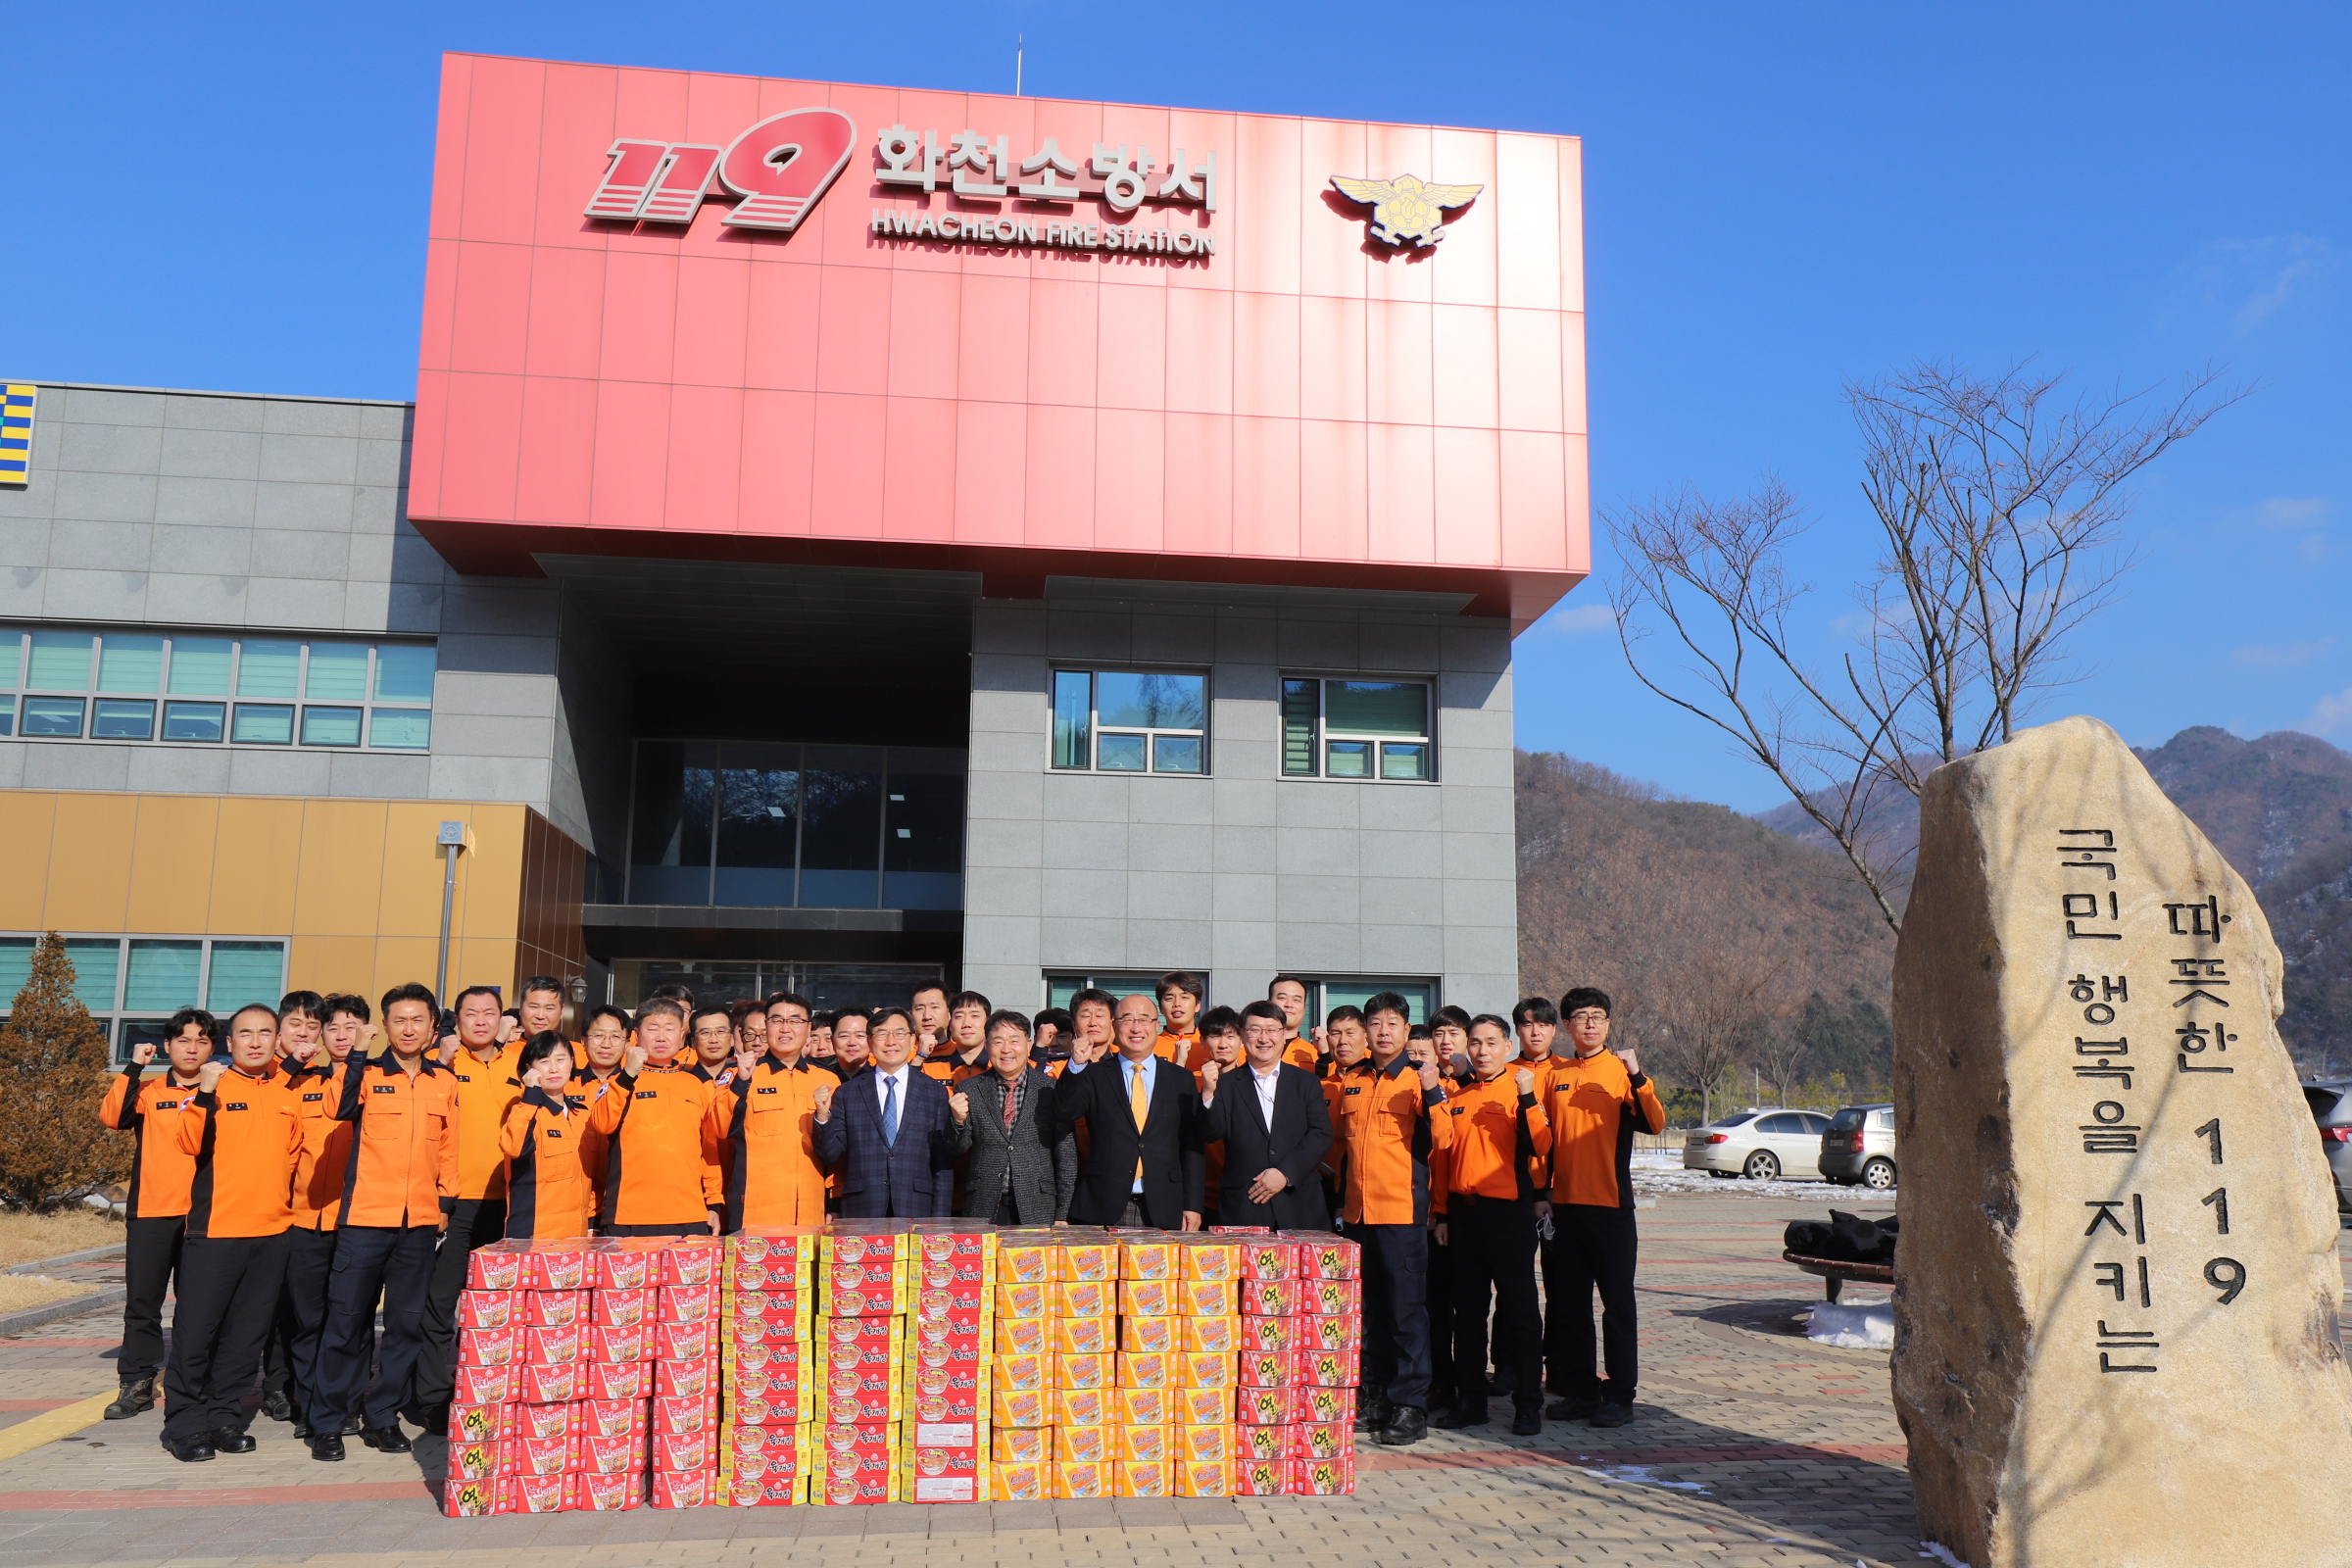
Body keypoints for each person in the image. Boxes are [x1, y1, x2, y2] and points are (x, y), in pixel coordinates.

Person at [312, 983, 457, 1460]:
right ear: (386, 1026)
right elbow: (338, 1108)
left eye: (418, 1020)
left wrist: (444, 1204)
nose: (408, 1029)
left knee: (405, 1327)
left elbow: (449, 1147)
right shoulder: (367, 1072)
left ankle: (382, 1416)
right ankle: (329, 1421)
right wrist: (356, 1053)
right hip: (365, 1221)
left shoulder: (444, 1081)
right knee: (345, 1324)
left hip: (418, 1224)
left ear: (433, 1028)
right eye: (399, 1020)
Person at [161, 1004, 304, 1463]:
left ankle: (224, 1416)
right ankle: (185, 1424)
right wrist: (204, 1092)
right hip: (216, 1233)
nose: (256, 1041)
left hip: (271, 1235)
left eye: (265, 1033)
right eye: (246, 1033)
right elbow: (187, 1142)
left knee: (245, 1337)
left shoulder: (286, 1095)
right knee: (196, 1333)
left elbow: (292, 1158)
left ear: (277, 1041)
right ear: (230, 1042)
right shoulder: (212, 1088)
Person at [1542, 987, 1665, 1428]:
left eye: (1598, 1016)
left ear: (1608, 1023)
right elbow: (1541, 1138)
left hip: (1610, 1207)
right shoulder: (1554, 1074)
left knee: (1617, 1305)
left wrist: (1637, 1076)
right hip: (1565, 1209)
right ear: (1568, 1026)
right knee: (1570, 1307)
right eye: (1580, 1016)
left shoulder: (1621, 1071)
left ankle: (1619, 1395)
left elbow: (1655, 1122)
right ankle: (1581, 1391)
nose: (1590, 1023)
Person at [1335, 992, 1451, 1447]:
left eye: (1392, 1024)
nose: (1383, 1032)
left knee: (1406, 1313)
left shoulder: (1418, 1079)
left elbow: (1444, 1137)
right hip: (1357, 1214)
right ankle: (1377, 1395)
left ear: (1406, 1031)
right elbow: (1342, 1150)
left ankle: (1410, 1405)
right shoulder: (1354, 1079)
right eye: (1375, 1023)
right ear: (1366, 1030)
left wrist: (1433, 1088)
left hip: (1401, 1214)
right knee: (1369, 1313)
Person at [413, 984, 524, 1433]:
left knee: (500, 1309)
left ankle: (494, 1392)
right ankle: (433, 1399)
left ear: (503, 1019)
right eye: (471, 1013)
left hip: (511, 1207)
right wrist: (441, 1062)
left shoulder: (521, 1061)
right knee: (440, 1305)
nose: (480, 1021)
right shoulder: (438, 1061)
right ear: (455, 1020)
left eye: (489, 1012)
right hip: (454, 1204)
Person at [1432, 1014, 1549, 1436]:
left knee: (1520, 1311)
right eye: (1476, 1043)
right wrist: (1441, 1213)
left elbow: (1542, 1145)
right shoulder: (1458, 1097)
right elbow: (1443, 1159)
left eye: (1491, 1042)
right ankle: (1471, 1401)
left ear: (1506, 1046)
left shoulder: (1520, 1090)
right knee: (1468, 1314)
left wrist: (1528, 1097)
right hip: (1464, 1216)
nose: (1482, 1051)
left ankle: (1528, 1404)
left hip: (1508, 1216)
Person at [97, 1007, 211, 1422]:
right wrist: (133, 1067)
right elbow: (112, 1117)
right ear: (167, 1045)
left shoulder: (221, 1091)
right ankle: (137, 1382)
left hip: (204, 1215)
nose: (192, 1048)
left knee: (198, 1306)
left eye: (201, 1041)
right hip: (151, 1211)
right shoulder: (148, 1090)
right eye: (183, 1040)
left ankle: (190, 1380)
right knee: (143, 1303)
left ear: (213, 1048)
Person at [265, 992, 351, 1437]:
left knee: (329, 1314)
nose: (304, 1033)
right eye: (295, 1024)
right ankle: (282, 1388)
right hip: (289, 1214)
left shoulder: (335, 1075)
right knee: (291, 1311)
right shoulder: (275, 1076)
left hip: (342, 1218)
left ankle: (322, 1397)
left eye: (313, 1026)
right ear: (279, 1028)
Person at [1054, 994, 1205, 1230]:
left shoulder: (1180, 1078)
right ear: (1114, 1025)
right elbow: (1065, 1111)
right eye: (1127, 1019)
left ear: (1157, 1025)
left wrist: (1193, 1205)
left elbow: (1191, 1145)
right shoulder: (1094, 1074)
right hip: (1103, 1203)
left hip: (1165, 1204)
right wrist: (1076, 1065)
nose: (1136, 1028)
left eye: (1144, 1019)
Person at [584, 999, 725, 1236]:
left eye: (669, 1029)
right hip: (629, 1215)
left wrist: (713, 1202)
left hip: (689, 1212)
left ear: (682, 1035)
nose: (661, 1037)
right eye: (652, 1029)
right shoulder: (617, 1082)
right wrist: (628, 1075)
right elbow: (602, 1124)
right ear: (636, 1035)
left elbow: (708, 1148)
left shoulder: (696, 1085)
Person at [810, 1005, 956, 1217]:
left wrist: (939, 1222)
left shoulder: (934, 1092)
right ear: (870, 1042)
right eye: (881, 1034)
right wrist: (823, 1116)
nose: (890, 1041)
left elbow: (942, 1163)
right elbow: (830, 1154)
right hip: (863, 1209)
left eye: (899, 1033)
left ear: (912, 1040)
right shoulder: (848, 1092)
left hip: (916, 1207)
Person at [1199, 1001, 1332, 1230]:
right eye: (1254, 1030)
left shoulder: (1306, 1081)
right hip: (1244, 1204)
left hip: (1299, 1203)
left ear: (1283, 1034)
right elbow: (1211, 1133)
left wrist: (1285, 1173)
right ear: (1243, 1035)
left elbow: (1321, 1134)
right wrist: (1208, 1093)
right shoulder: (1226, 1084)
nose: (1263, 1038)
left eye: (1271, 1030)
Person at [710, 993, 830, 1229]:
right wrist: (741, 1083)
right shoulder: (740, 1073)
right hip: (755, 1214)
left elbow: (835, 1150)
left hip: (811, 1215)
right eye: (777, 1020)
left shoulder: (827, 1079)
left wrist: (834, 1202)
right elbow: (720, 1128)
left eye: (795, 1021)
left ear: (808, 1029)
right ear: (766, 1026)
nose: (785, 1028)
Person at [947, 1010, 1075, 1223]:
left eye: (1014, 1040)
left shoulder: (1051, 1090)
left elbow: (1066, 1155)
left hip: (1038, 1205)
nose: (1006, 1049)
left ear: (1028, 1045)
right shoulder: (969, 1088)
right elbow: (957, 1148)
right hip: (983, 1204)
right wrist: (957, 1121)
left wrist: (1063, 1213)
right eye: (998, 1041)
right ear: (987, 1045)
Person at [500, 1034, 594, 1239]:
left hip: (577, 1236)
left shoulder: (583, 1114)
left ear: (572, 1062)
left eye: (560, 1059)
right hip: (534, 1237)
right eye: (544, 1061)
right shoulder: (524, 1112)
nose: (553, 1069)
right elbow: (514, 1147)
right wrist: (530, 1096)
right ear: (529, 1068)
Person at [922, 990, 992, 1084]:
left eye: (974, 1016)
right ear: (950, 1024)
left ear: (988, 1023)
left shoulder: (999, 1068)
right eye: (959, 1016)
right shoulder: (929, 1069)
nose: (966, 1024)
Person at [1154, 971, 1206, 1067]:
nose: (1177, 1004)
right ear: (1161, 1008)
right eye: (1169, 998)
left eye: (1184, 997)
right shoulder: (1149, 1047)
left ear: (1197, 1006)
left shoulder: (1210, 1044)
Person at [1268, 975, 1319, 1070]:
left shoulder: (1316, 1054)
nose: (1289, 1005)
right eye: (1282, 998)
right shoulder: (1247, 1049)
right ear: (1268, 1003)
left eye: (1296, 1000)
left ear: (1304, 1008)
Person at [1511, 996, 1560, 1070]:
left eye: (1542, 1025)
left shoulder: (1568, 1069)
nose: (1535, 1032)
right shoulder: (1503, 1072)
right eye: (1528, 1025)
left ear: (1554, 1030)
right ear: (1517, 1030)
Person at [909, 982, 953, 1059]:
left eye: (934, 1007)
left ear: (949, 1013)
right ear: (911, 1015)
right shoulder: (900, 1054)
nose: (927, 1016)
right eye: (920, 1009)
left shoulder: (962, 1054)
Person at [831, 1008, 872, 1075]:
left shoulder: (880, 1078)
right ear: (832, 1041)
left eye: (860, 1036)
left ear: (872, 1040)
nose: (852, 1043)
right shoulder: (823, 1077)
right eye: (844, 1036)